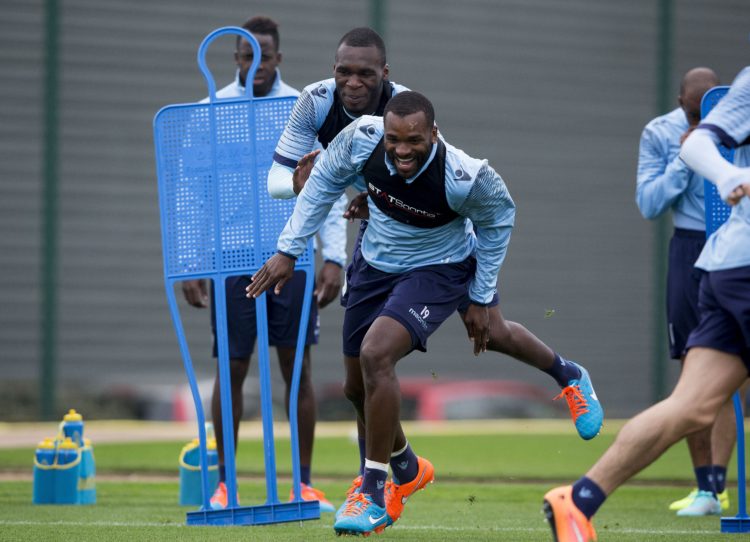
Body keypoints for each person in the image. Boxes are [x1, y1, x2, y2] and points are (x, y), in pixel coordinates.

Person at [266, 28, 604, 525]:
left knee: (385, 353)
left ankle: (374, 490)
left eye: (415, 142)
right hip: (376, 259)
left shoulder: (466, 175)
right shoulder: (355, 134)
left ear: (434, 134)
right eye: (394, 141)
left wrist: (482, 295)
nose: (403, 150)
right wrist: (289, 251)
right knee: (358, 385)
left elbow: (499, 218)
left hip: (440, 264)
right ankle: (406, 466)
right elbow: (319, 187)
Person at [543, 65, 750, 542]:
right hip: (735, 267)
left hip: (725, 262)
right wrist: (728, 174)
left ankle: (577, 501)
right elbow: (696, 146)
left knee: (691, 406)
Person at [181, 15, 344, 512]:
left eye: (263, 55)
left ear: (278, 58)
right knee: (231, 367)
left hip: (290, 252)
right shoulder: (211, 110)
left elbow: (328, 186)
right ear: (234, 59)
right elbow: (192, 192)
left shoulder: (302, 108)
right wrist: (190, 257)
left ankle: (304, 482)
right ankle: (226, 484)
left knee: (297, 366)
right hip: (231, 254)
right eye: (244, 55)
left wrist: (333, 256)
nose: (254, 64)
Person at [636, 67, 740, 516]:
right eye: (691, 113)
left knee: (732, 372)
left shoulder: (740, 119)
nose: (698, 122)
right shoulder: (659, 133)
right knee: (695, 365)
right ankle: (708, 490)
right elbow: (648, 203)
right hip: (690, 245)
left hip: (738, 242)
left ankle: (720, 484)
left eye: (707, 114)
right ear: (680, 102)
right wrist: (685, 159)